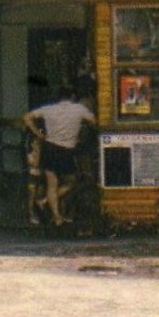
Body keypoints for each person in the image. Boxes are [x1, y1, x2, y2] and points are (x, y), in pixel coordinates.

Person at [22, 86, 96, 227]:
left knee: (52, 184)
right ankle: (43, 201)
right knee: (72, 181)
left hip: (49, 148)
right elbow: (93, 121)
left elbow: (27, 117)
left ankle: (57, 217)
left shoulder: (49, 109)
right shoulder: (79, 109)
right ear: (72, 96)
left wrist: (38, 134)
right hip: (67, 149)